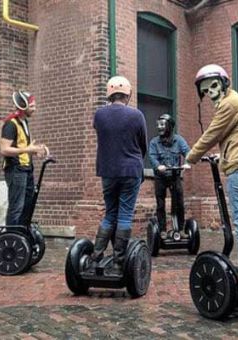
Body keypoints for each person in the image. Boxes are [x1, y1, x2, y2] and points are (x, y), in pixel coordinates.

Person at [185, 64, 238, 294]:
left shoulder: (229, 104)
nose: (210, 94)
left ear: (223, 83)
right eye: (206, 91)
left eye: (212, 88)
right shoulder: (236, 101)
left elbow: (213, 133)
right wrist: (223, 156)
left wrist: (192, 156)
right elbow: (236, 136)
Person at [91, 75, 147, 277]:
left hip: (108, 171)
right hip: (131, 170)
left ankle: (95, 258)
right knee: (124, 214)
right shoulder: (137, 116)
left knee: (110, 213)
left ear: (109, 94)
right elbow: (143, 146)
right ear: (128, 94)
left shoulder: (99, 114)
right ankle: (118, 264)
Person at [0, 90, 46, 226]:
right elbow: (4, 150)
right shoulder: (10, 124)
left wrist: (37, 150)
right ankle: (11, 237)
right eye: (32, 106)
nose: (35, 109)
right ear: (23, 106)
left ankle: (22, 233)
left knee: (27, 205)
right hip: (15, 170)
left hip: (27, 169)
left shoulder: (24, 122)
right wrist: (28, 149)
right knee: (16, 207)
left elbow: (25, 147)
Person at [148, 114, 190, 237]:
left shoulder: (179, 140)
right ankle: (162, 230)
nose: (160, 127)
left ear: (169, 126)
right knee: (160, 204)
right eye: (159, 125)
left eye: (163, 125)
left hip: (175, 176)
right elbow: (152, 156)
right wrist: (158, 166)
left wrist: (187, 163)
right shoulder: (154, 142)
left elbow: (187, 152)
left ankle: (179, 229)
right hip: (160, 177)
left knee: (178, 203)